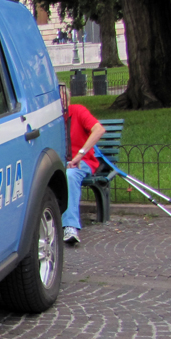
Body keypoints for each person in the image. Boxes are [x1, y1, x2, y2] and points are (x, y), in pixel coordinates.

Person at [62, 100, 106, 246]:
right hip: (58, 163)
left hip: (82, 162)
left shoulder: (78, 111)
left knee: (70, 175)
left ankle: (70, 226)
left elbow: (99, 130)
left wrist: (80, 154)